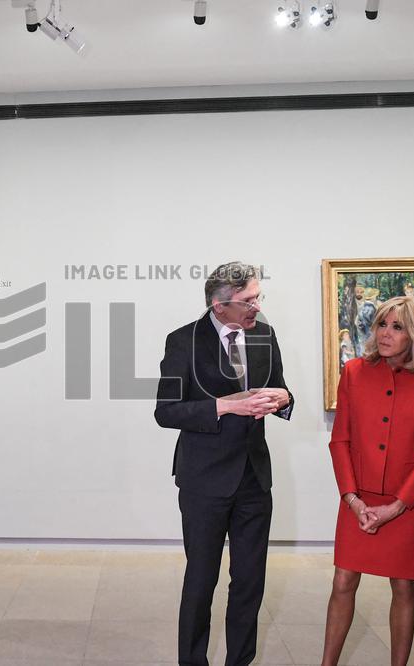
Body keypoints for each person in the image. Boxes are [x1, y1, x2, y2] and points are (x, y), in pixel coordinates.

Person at [154, 261, 293, 666]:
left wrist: (284, 400)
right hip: (204, 481)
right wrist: (223, 406)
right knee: (201, 580)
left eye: (258, 298)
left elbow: (281, 388)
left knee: (250, 582)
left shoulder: (265, 335)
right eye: (248, 300)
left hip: (254, 478)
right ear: (220, 306)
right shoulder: (183, 341)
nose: (257, 307)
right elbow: (166, 412)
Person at [322, 296, 414, 666]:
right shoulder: (355, 372)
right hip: (357, 498)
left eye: (397, 327)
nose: (385, 333)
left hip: (406, 502)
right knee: (343, 582)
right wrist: (352, 499)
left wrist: (397, 505)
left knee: (403, 586)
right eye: (382, 324)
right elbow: (340, 439)